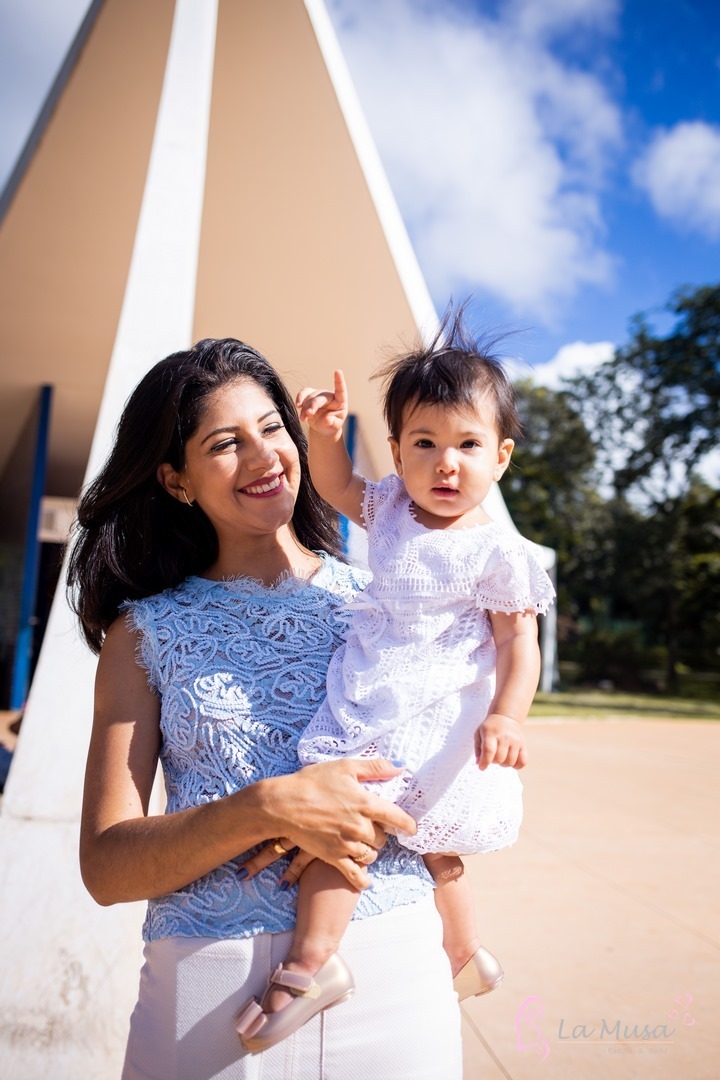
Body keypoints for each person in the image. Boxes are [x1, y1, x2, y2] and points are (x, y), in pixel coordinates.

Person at [68, 338, 463, 1079]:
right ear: (175, 479)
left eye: (273, 427)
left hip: (390, 972)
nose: (264, 455)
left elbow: (447, 772)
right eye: (225, 442)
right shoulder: (143, 633)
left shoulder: (384, 603)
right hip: (207, 992)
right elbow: (106, 868)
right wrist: (267, 806)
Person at [234, 310, 555, 1051]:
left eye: (468, 445)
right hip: (374, 687)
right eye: (425, 444)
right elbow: (338, 485)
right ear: (399, 451)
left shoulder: (499, 553)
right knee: (429, 844)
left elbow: (519, 643)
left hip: (428, 710)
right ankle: (465, 954)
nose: (447, 464)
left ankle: (311, 964)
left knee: (345, 829)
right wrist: (321, 435)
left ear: (501, 457)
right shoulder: (392, 512)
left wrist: (508, 716)